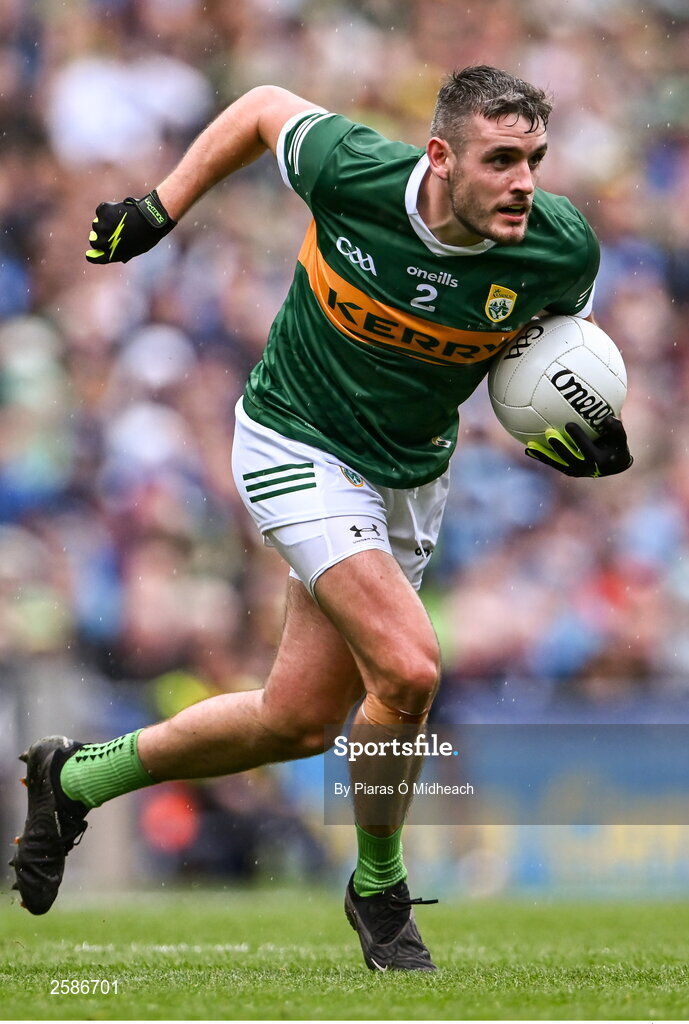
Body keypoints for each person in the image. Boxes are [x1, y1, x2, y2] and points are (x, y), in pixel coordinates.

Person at [11, 65, 632, 971]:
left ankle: (72, 778)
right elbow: (263, 108)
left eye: (535, 159)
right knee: (411, 668)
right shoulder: (352, 170)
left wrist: (586, 431)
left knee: (296, 721)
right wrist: (160, 205)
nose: (524, 182)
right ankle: (379, 887)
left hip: (409, 475)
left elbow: (545, 361)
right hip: (295, 442)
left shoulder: (560, 248)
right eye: (501, 160)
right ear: (440, 156)